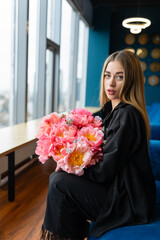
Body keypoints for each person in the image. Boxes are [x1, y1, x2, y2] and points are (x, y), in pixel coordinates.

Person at [40, 50, 156, 240]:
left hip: (128, 201)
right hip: (118, 189)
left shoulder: (127, 114)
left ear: (131, 80)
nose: (111, 83)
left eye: (120, 77)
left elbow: (105, 171)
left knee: (59, 182)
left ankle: (64, 235)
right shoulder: (113, 109)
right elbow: (87, 128)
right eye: (107, 75)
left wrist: (72, 167)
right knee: (59, 177)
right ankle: (70, 234)